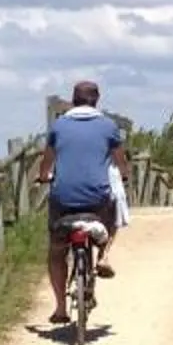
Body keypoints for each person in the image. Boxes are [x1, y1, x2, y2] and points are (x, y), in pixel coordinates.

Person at [38, 80, 126, 326]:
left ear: (73, 100)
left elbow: (46, 165)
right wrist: (125, 174)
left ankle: (60, 308)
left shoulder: (59, 126)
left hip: (63, 198)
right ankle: (102, 256)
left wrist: (44, 177)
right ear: (97, 100)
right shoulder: (108, 127)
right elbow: (121, 161)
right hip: (96, 198)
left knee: (56, 251)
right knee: (110, 214)